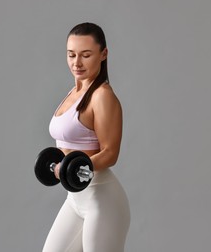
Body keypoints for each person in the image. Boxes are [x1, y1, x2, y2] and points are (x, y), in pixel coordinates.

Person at [42, 22, 130, 252]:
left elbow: (110, 153)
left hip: (102, 200)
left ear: (103, 54)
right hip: (75, 198)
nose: (76, 63)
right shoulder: (74, 93)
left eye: (86, 55)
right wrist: (58, 166)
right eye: (71, 55)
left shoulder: (103, 96)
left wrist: (71, 168)